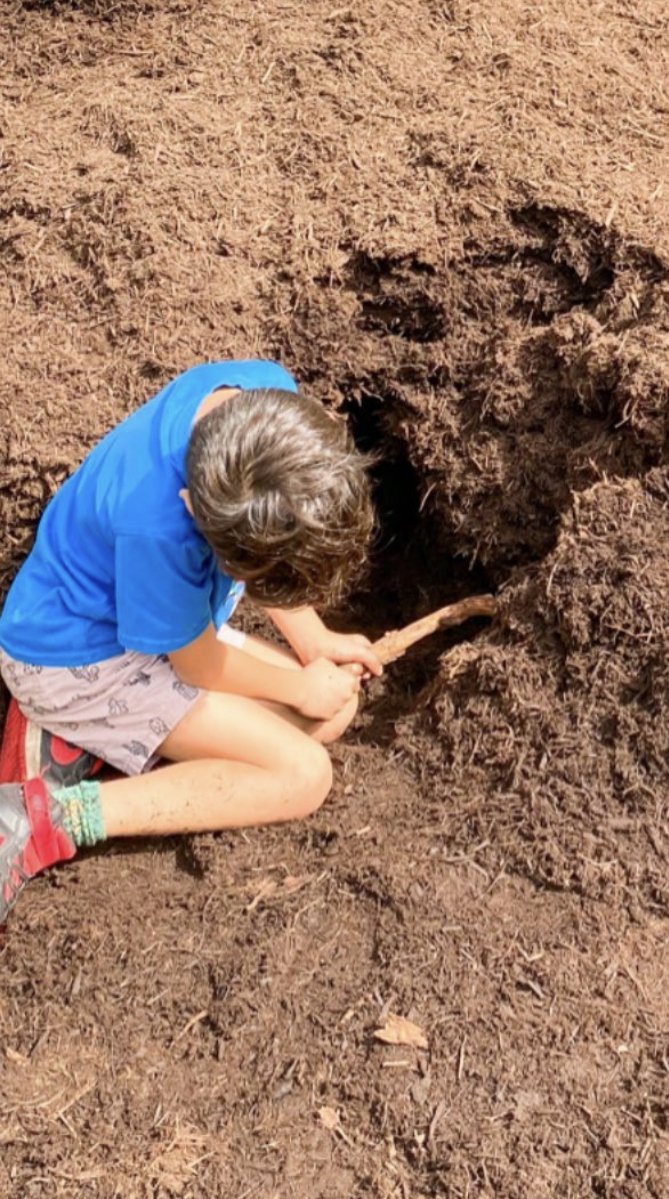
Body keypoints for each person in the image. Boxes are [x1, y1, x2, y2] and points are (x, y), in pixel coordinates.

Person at [0, 360, 383, 924]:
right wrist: (299, 686)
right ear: (191, 507)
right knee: (304, 775)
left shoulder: (266, 406)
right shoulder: (158, 526)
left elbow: (265, 549)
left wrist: (315, 641)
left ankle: (110, 745)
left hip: (166, 627)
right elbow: (199, 663)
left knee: (332, 713)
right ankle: (42, 816)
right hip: (77, 659)